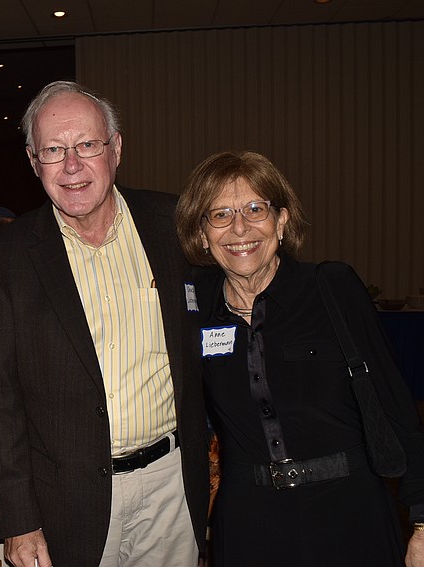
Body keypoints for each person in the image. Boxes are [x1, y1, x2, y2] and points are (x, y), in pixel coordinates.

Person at [0, 80, 208, 567]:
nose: (72, 165)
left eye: (87, 145)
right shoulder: (5, 259)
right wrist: (16, 520)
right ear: (33, 162)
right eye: (54, 150)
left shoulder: (174, 224)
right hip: (64, 500)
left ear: (115, 148)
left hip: (170, 487)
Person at [173, 150, 424, 566]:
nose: (240, 228)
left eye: (256, 208)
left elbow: (396, 404)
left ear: (282, 221)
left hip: (349, 514)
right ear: (201, 235)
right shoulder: (195, 309)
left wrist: (422, 521)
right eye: (219, 214)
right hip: (250, 523)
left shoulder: (331, 289)